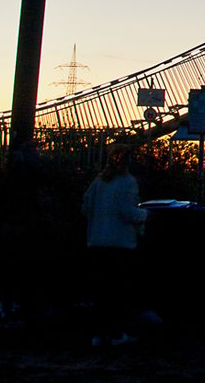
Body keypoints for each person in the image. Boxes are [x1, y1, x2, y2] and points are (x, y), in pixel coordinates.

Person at [81, 144, 147, 348]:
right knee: (119, 292)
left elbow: (86, 207)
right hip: (120, 244)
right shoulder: (128, 182)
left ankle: (99, 334)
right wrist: (145, 216)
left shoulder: (99, 181)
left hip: (97, 242)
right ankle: (118, 333)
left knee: (101, 292)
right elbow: (126, 212)